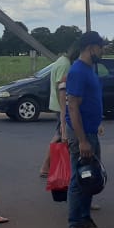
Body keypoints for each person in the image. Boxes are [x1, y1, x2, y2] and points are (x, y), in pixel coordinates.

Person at [65, 30, 109, 228]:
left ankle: (85, 220)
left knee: (89, 178)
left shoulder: (89, 69)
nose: (102, 52)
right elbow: (73, 107)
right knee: (79, 179)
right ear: (91, 47)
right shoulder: (78, 71)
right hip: (81, 135)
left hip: (90, 131)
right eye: (101, 47)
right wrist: (82, 140)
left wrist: (96, 123)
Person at [40, 44, 79, 177]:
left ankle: (49, 166)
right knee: (59, 135)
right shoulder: (65, 65)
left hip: (57, 105)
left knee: (60, 135)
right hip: (61, 106)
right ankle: (46, 166)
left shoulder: (60, 61)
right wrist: (64, 111)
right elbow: (61, 88)